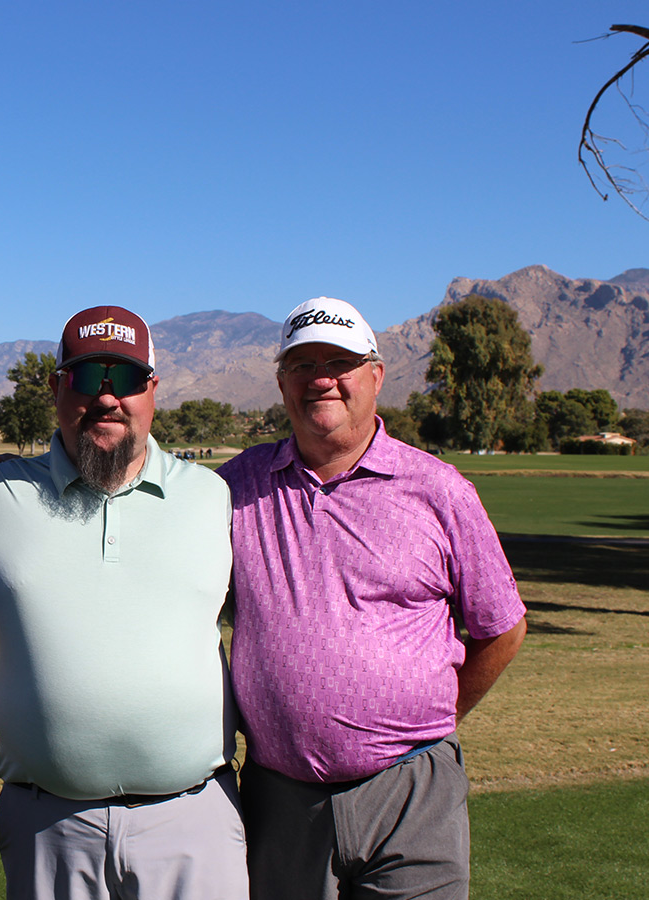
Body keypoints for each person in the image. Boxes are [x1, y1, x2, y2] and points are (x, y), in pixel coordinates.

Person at [217, 296, 528, 900]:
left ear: (376, 376)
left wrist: (435, 716)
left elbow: (502, 627)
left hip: (412, 792)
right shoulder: (235, 486)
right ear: (282, 382)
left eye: (341, 362)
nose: (322, 379)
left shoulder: (439, 490)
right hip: (279, 796)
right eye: (303, 365)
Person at [0, 305, 248, 900]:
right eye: (87, 379)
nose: (107, 398)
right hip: (48, 828)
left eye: (128, 380)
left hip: (193, 822)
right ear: (58, 387)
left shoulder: (212, 497)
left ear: (153, 391)